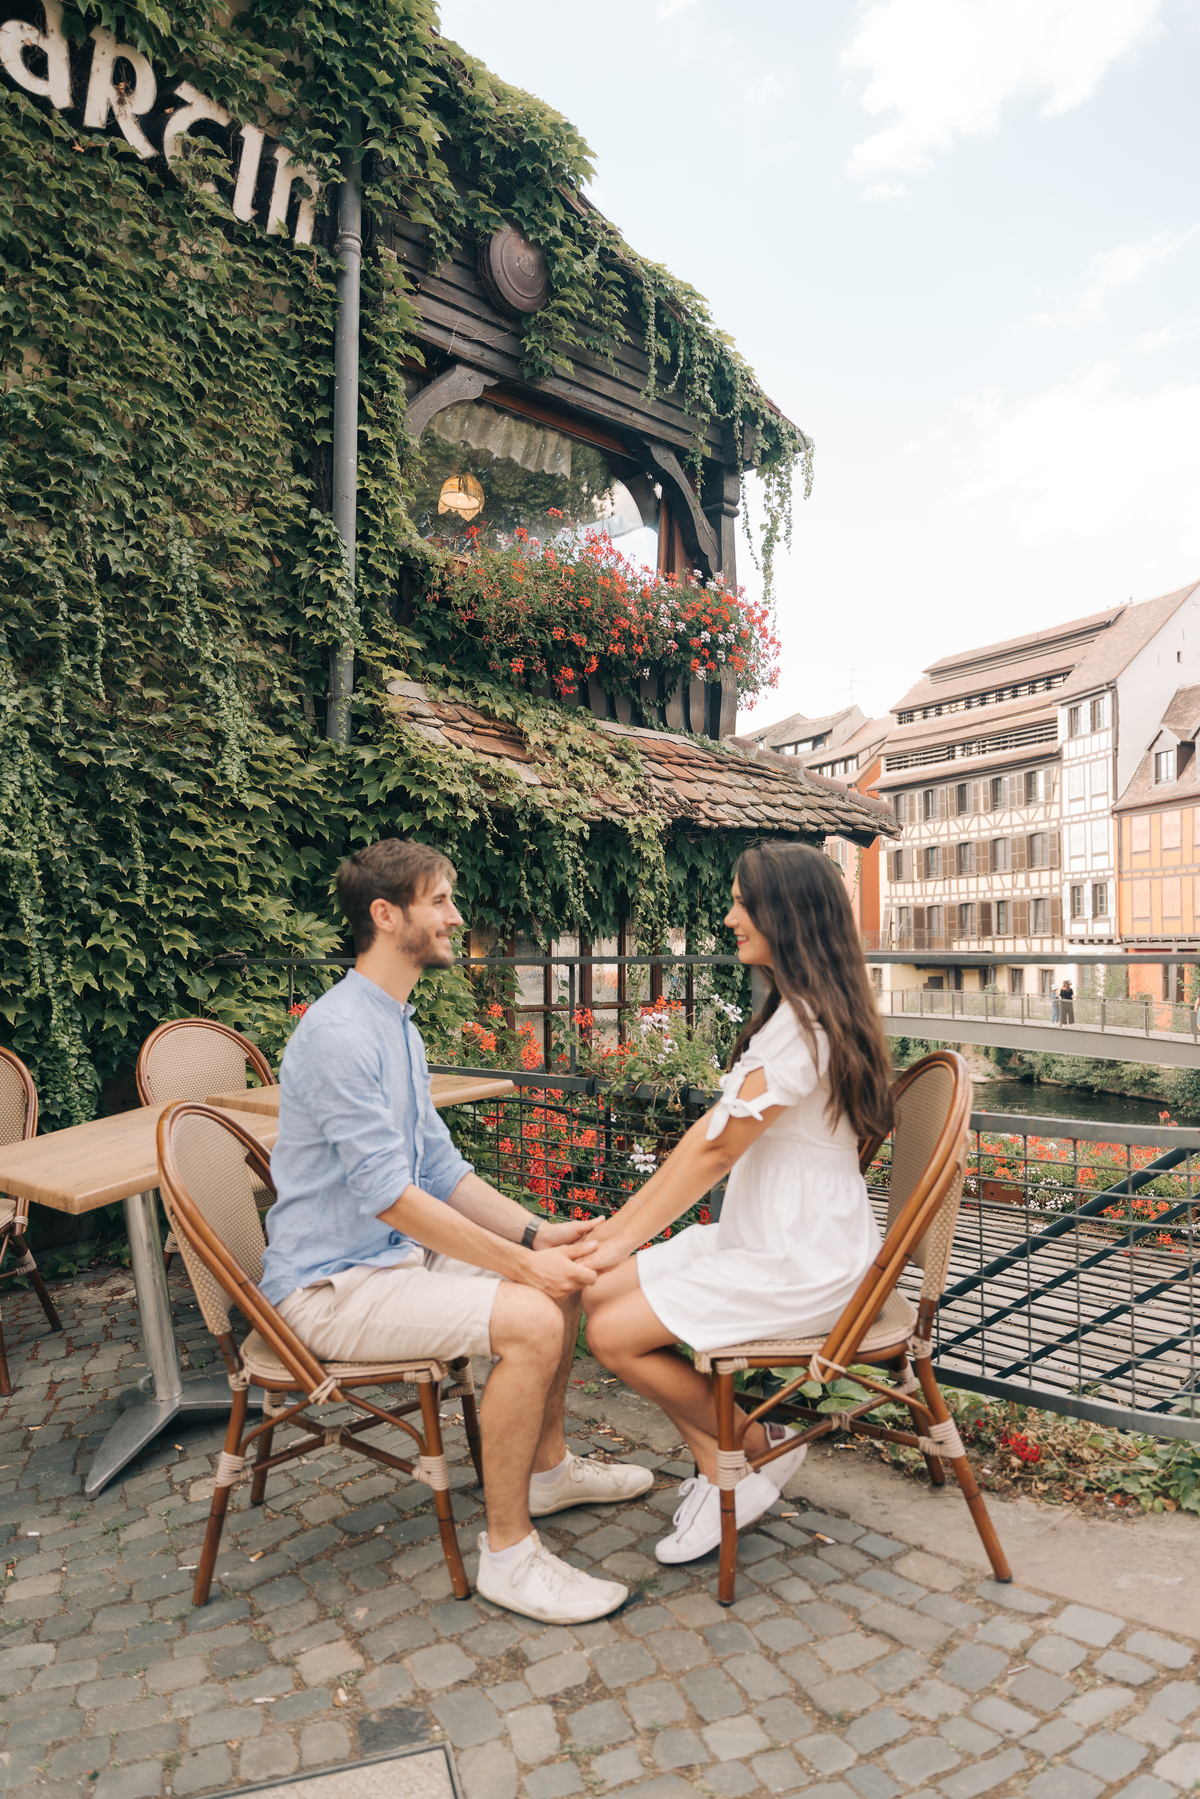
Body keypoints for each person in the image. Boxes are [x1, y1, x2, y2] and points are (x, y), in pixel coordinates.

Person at [261, 838, 653, 1624]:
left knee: (563, 1282)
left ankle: (547, 1470)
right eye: (439, 900)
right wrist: (519, 1267)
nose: (456, 916)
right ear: (386, 913)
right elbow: (390, 1196)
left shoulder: (395, 1024)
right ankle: (508, 1554)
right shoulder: (340, 1032)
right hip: (328, 1286)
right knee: (535, 1315)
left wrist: (539, 1236)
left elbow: (439, 1169)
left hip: (391, 1263)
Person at [579, 843, 895, 1564]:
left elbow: (715, 1153)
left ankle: (739, 1459)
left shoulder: (803, 1024)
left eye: (742, 903)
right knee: (599, 1291)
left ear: (786, 914)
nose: (728, 918)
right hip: (771, 1239)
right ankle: (744, 1457)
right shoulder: (806, 1012)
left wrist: (619, 1236)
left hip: (800, 1258)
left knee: (612, 1334)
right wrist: (615, 1239)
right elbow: (708, 1139)